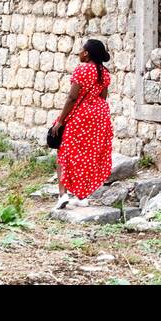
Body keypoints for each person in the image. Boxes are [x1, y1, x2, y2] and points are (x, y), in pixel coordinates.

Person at [50, 40, 114, 208]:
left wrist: (61, 121)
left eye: (81, 49)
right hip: (99, 116)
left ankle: (63, 194)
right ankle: (82, 195)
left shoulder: (82, 69)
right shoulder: (104, 73)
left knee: (64, 153)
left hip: (80, 117)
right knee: (88, 154)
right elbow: (103, 97)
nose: (79, 52)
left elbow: (72, 98)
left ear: (86, 53)